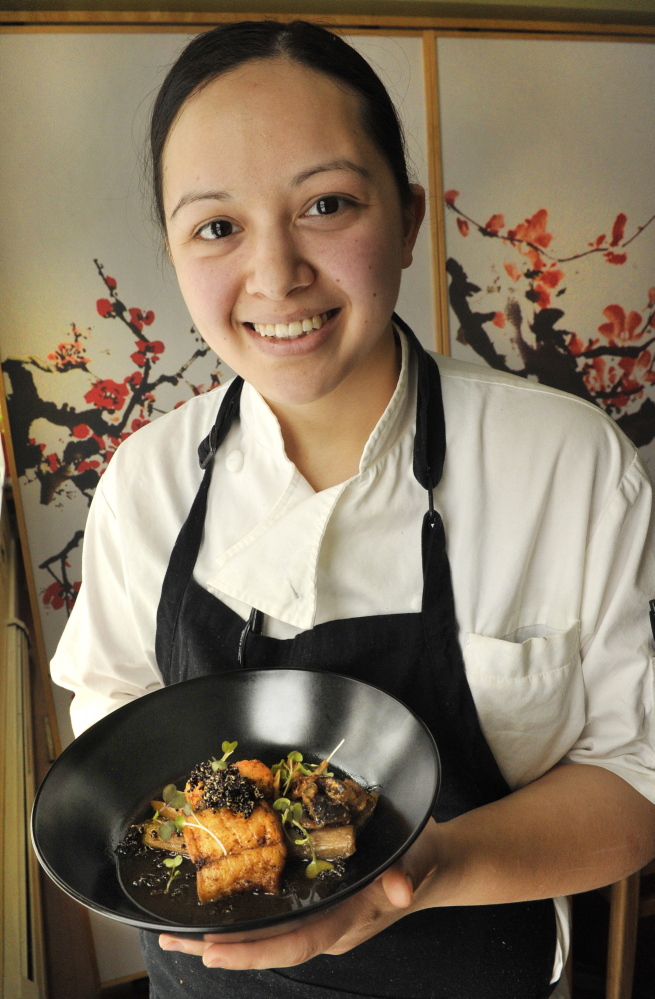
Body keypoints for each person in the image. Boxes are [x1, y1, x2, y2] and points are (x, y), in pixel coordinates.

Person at [51, 20, 655, 999]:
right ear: (170, 249)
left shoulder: (564, 463)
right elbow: (115, 723)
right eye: (216, 226)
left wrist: (424, 872)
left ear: (409, 219)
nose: (276, 273)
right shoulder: (149, 478)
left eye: (326, 204)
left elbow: (635, 778)